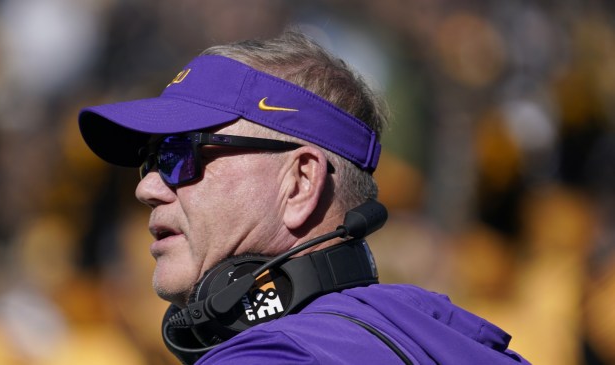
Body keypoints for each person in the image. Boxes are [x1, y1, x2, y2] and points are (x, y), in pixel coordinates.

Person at [78, 30, 531, 365]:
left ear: (300, 182)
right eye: (150, 161)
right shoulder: (458, 344)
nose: (146, 187)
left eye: (179, 155)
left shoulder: (271, 357)